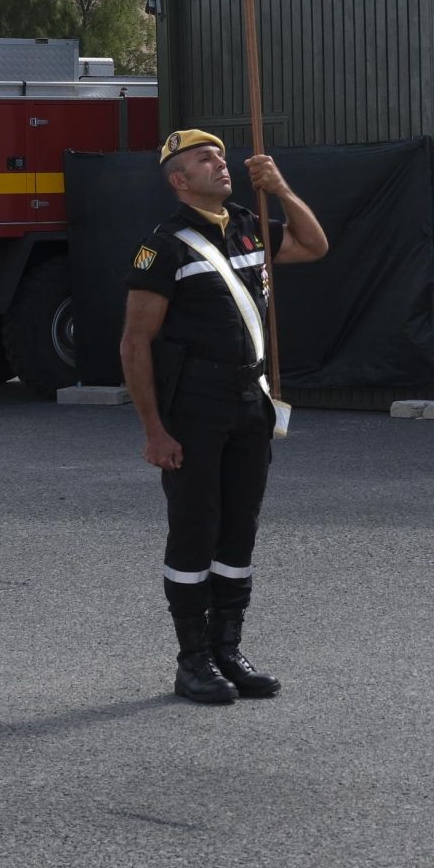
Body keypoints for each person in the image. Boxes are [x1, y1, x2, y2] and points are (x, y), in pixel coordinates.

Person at [120, 129, 329, 705]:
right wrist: (154, 431)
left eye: (219, 155)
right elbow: (135, 344)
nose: (219, 163)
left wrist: (281, 188)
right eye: (202, 160)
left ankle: (227, 650)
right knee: (195, 529)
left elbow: (314, 247)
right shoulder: (164, 246)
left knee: (239, 528)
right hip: (193, 408)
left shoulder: (247, 226)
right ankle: (191, 661)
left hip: (249, 403)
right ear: (178, 181)